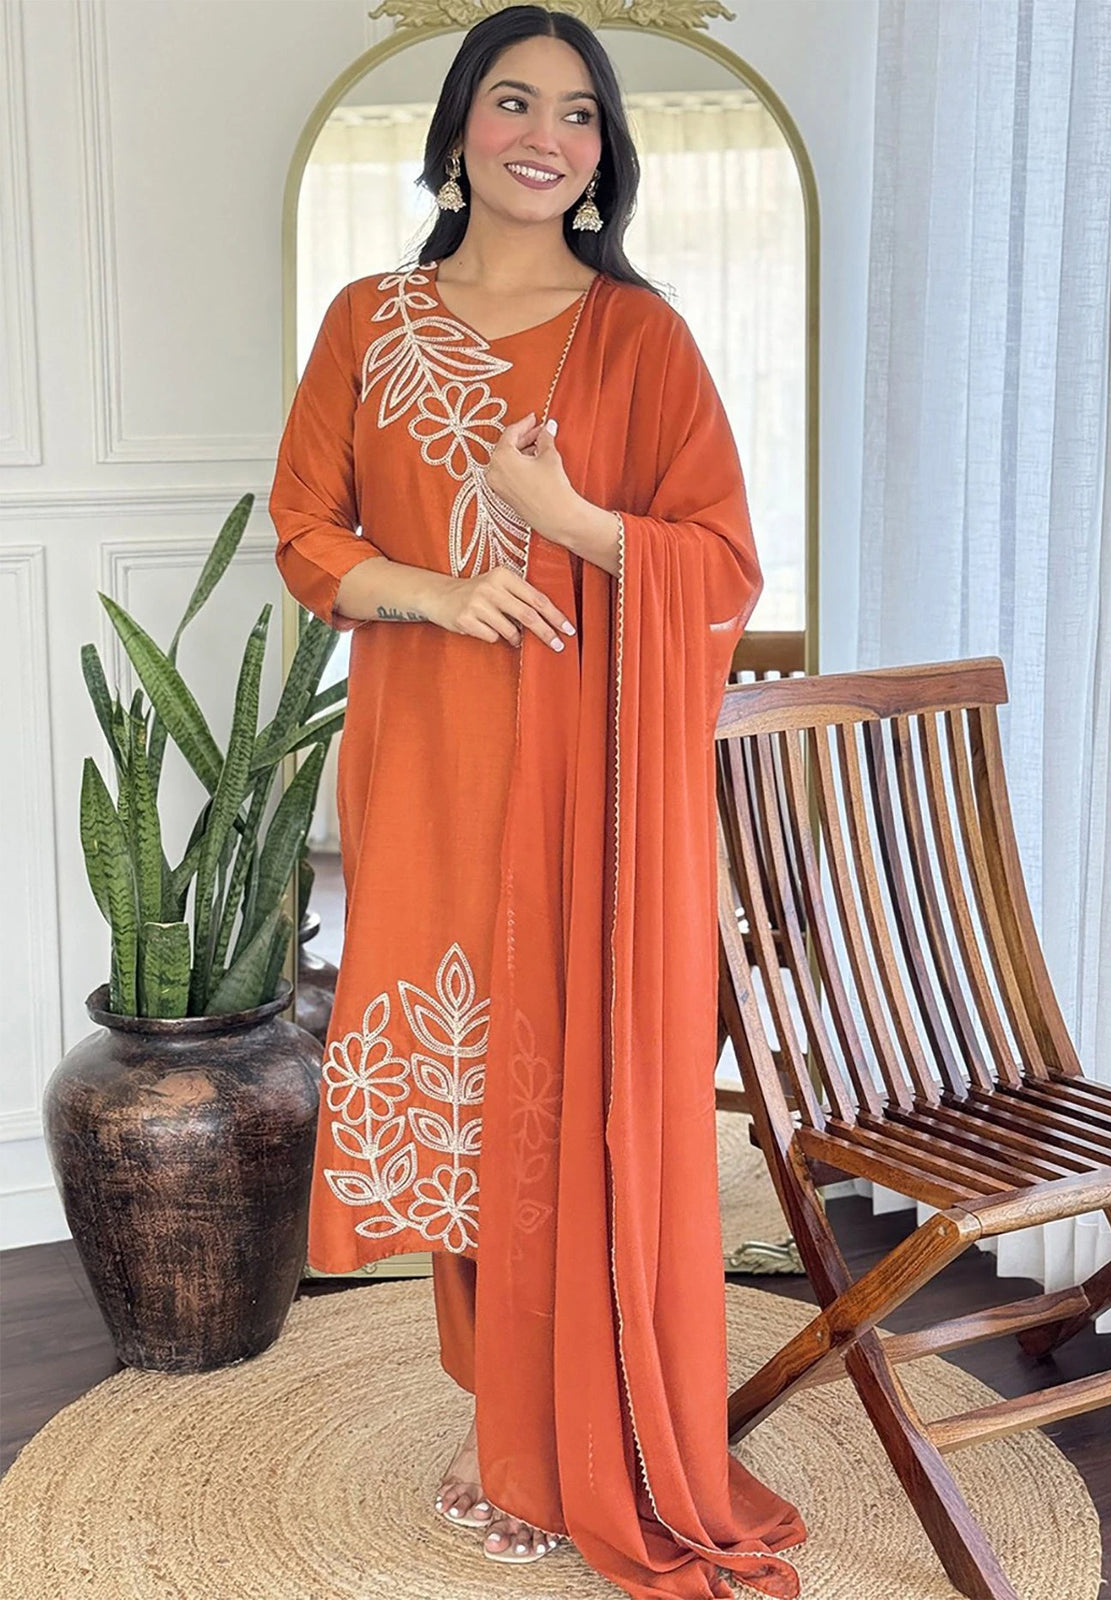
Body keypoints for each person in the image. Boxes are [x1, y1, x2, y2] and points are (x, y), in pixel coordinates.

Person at [268, 6, 808, 1597]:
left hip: (594, 783)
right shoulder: (371, 321)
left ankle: (544, 1427)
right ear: (457, 132)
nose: (544, 135)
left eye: (578, 115)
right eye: (514, 102)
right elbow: (305, 528)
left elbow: (720, 562)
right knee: (456, 1090)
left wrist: (569, 515)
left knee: (561, 1083)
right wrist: (434, 591)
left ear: (602, 154)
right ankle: (504, 1406)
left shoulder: (642, 339)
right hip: (430, 759)